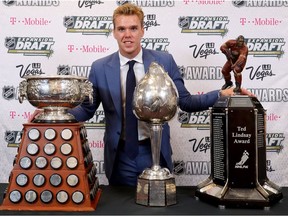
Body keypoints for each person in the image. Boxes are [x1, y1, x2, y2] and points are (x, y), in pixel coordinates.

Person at [68, 3, 254, 186]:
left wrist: (222, 93)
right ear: (114, 32)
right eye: (121, 29)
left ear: (142, 30)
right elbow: (87, 109)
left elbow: (186, 101)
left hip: (155, 152)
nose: (127, 35)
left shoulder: (164, 60)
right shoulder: (100, 68)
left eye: (133, 28)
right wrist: (54, 113)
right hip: (120, 157)